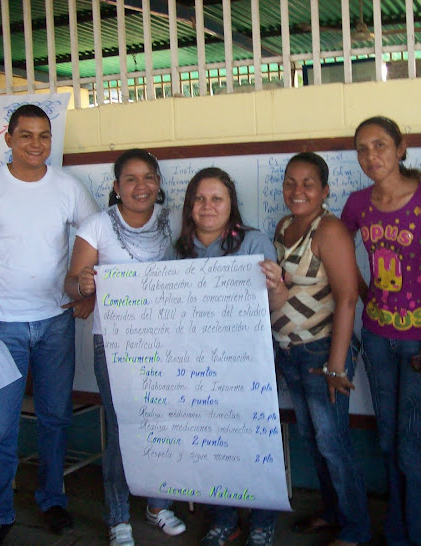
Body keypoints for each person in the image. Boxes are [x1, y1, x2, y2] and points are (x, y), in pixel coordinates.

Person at [0, 104, 100, 546]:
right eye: (27, 135)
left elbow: (97, 235)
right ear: (8, 138)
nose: (37, 144)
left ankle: (53, 499)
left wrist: (89, 294)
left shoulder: (68, 187)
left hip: (55, 323)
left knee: (55, 418)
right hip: (0, 327)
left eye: (44, 136)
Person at [341, 117, 421, 546]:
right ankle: (397, 534)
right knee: (388, 440)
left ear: (401, 148)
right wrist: (363, 290)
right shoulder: (356, 204)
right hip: (375, 338)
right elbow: (336, 248)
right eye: (363, 149)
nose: (372, 156)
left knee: (412, 445)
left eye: (380, 145)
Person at [64, 149, 187, 546]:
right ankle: (118, 517)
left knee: (164, 421)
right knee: (124, 429)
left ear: (158, 184)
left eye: (148, 177)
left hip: (169, 341)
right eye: (130, 179)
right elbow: (71, 283)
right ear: (116, 188)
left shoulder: (175, 221)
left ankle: (157, 505)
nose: (140, 186)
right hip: (115, 344)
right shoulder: (97, 225)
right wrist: (82, 285)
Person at [165, 167, 286, 546]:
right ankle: (224, 518)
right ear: (189, 206)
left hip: (249, 364)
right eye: (200, 199)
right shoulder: (178, 250)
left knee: (255, 441)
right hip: (199, 367)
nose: (207, 206)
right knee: (212, 442)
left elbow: (275, 304)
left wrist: (276, 284)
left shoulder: (253, 243)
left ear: (231, 204)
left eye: (217, 198)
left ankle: (263, 521)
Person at [269, 152, 371, 546]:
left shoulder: (329, 230)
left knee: (333, 442)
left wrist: (335, 365)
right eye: (290, 182)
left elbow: (347, 299)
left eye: (308, 183)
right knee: (314, 439)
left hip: (323, 352)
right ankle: (333, 514)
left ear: (325, 190)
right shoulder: (282, 227)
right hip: (290, 351)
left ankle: (357, 529)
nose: (297, 191)